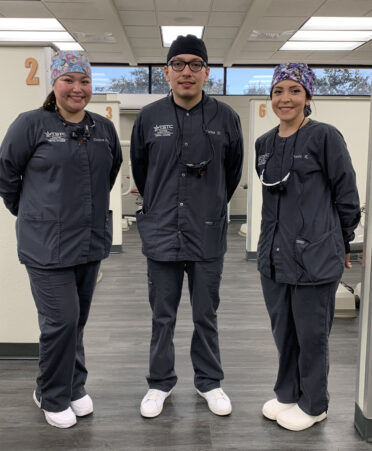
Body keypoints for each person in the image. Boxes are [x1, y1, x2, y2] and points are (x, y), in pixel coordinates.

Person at [0, 51, 122, 428]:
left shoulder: (103, 129)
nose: (77, 88)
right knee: (61, 321)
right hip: (45, 244)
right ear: (54, 84)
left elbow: (110, 172)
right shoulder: (31, 125)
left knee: (76, 321)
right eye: (69, 79)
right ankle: (51, 395)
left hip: (88, 240)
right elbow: (7, 175)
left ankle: (72, 385)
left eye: (84, 81)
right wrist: (36, 213)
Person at [130, 34, 243, 418]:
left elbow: (232, 174)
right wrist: (161, 206)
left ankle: (209, 382)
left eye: (195, 65)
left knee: (204, 314)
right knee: (162, 316)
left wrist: (208, 205)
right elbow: (142, 173)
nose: (186, 72)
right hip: (161, 232)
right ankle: (159, 384)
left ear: (206, 72)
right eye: (178, 64)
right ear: (166, 72)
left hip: (207, 233)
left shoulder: (226, 118)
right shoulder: (148, 118)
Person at [255, 63, 360, 431]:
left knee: (312, 336)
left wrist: (342, 241)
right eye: (279, 90)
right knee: (284, 333)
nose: (285, 98)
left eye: (294, 90)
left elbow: (347, 196)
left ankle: (314, 404)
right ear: (271, 97)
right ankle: (288, 394)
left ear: (308, 97)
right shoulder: (264, 144)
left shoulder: (325, 137)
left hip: (315, 256)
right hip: (274, 256)